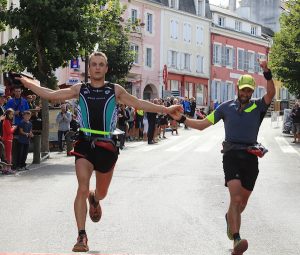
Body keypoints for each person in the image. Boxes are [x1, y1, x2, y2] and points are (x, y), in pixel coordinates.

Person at [17, 51, 181, 252]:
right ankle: (81, 236)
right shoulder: (80, 89)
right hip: (84, 143)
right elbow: (51, 95)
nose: (96, 67)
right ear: (89, 67)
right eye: (93, 64)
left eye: (100, 64)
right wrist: (29, 83)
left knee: (101, 192)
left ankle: (95, 199)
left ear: (106, 68)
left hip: (107, 145)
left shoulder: (115, 90)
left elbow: (139, 104)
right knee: (82, 188)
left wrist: (166, 110)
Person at [169, 60, 275, 255]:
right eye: (243, 90)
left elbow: (271, 93)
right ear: (237, 89)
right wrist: (182, 119)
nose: (245, 94)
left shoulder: (258, 106)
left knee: (241, 204)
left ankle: (230, 218)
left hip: (251, 157)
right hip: (232, 155)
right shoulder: (225, 108)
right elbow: (202, 125)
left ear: (252, 92)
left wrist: (267, 72)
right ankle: (237, 239)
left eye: (249, 91)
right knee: (235, 198)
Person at [2, 108, 17, 174]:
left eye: (13, 114)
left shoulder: (6, 121)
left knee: (6, 155)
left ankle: (5, 168)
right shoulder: (7, 121)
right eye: (11, 114)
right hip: (8, 139)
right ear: (7, 114)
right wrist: (14, 128)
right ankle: (9, 169)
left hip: (6, 139)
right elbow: (9, 131)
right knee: (8, 155)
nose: (12, 116)